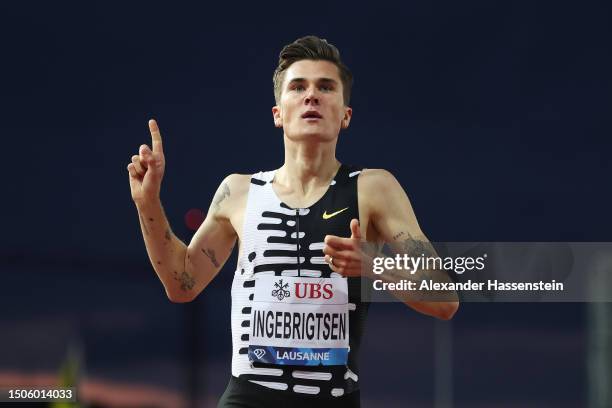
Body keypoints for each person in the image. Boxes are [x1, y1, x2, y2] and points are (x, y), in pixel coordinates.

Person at [127, 35, 459, 408]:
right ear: (278, 113)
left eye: (326, 87)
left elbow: (445, 297)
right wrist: (148, 203)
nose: (311, 96)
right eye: (298, 87)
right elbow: (180, 283)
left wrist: (372, 265)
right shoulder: (238, 192)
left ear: (346, 114)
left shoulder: (374, 189)